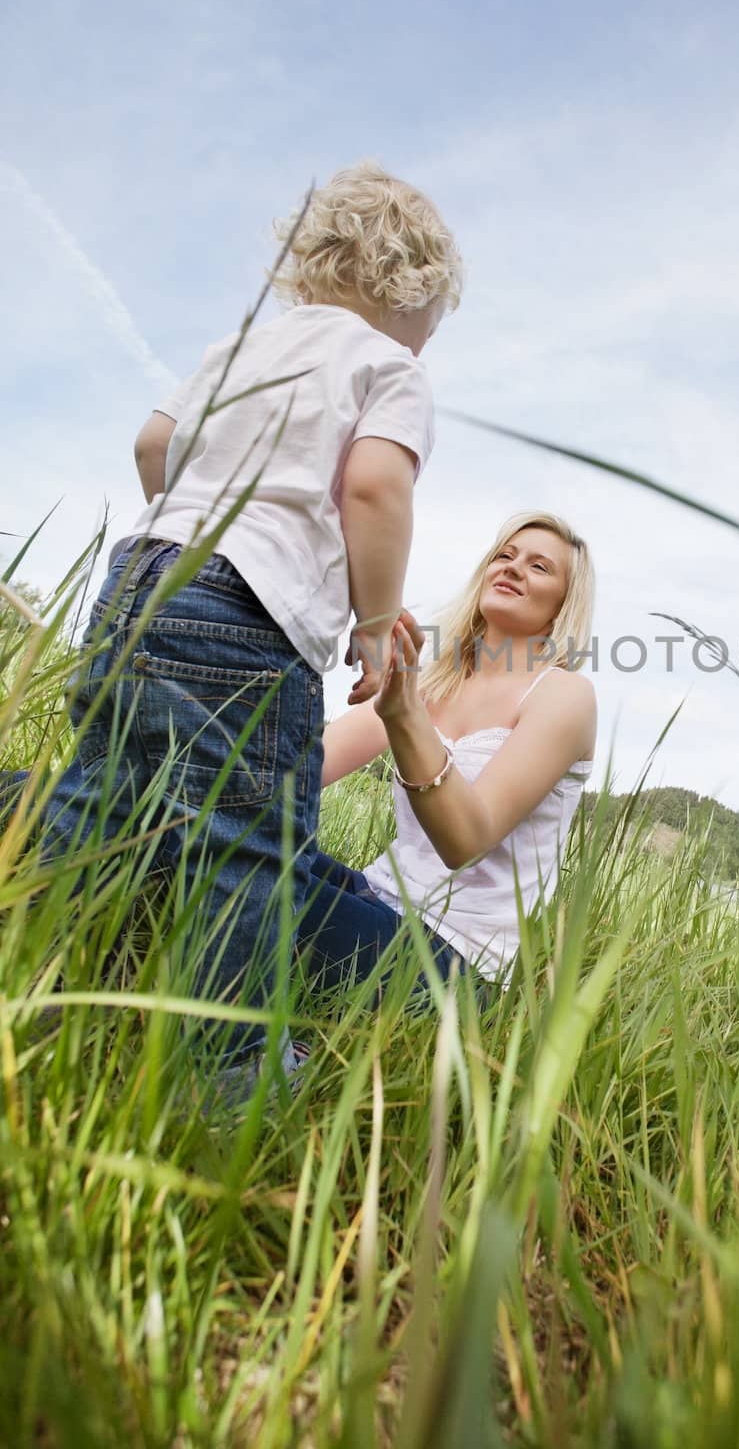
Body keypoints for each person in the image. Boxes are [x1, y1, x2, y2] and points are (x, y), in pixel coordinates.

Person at [38, 162, 463, 1086]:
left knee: (99, 802)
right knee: (246, 848)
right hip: (247, 615)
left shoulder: (240, 350)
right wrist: (373, 621)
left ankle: (36, 980)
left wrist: (189, 524)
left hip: (139, 581)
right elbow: (374, 484)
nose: (426, 347)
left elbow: (154, 445)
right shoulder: (386, 367)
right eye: (433, 330)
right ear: (413, 292)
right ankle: (232, 1071)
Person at [296, 512, 597, 996]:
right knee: (230, 847)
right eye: (505, 555)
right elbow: (301, 772)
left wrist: (405, 715)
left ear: (563, 604)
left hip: (450, 960)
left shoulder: (563, 696)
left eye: (539, 567)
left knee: (247, 881)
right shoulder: (434, 679)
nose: (513, 567)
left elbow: (465, 840)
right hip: (373, 897)